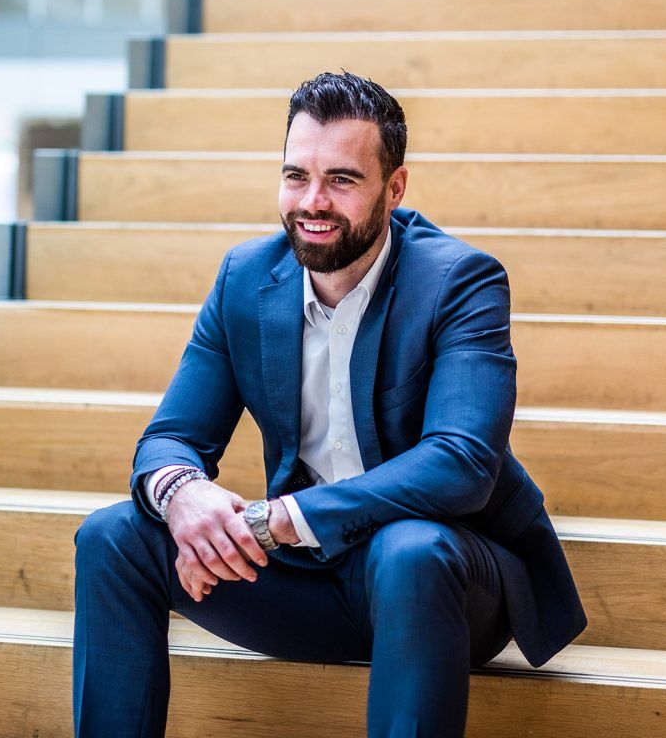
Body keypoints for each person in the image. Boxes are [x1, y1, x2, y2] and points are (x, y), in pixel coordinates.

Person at [72, 71, 586, 737]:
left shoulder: (459, 281)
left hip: (446, 582)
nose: (312, 201)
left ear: (393, 188)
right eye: (295, 176)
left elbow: (461, 464)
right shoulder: (247, 278)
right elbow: (172, 437)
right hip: (311, 577)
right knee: (112, 536)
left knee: (409, 550)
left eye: (342, 179)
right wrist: (184, 496)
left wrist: (281, 517)